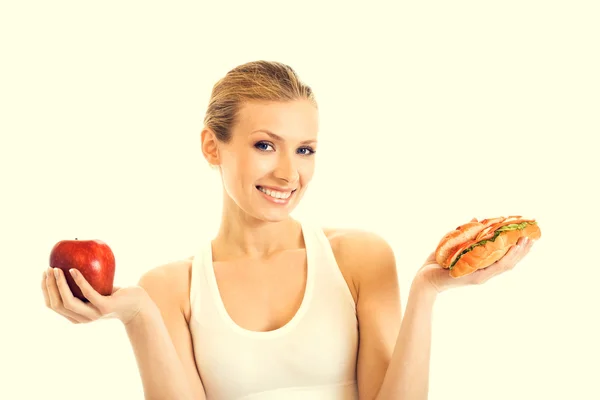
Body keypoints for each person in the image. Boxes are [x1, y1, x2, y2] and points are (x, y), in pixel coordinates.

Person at [41, 60, 534, 400]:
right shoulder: (169, 289)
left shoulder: (359, 258)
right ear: (212, 147)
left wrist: (426, 292)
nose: (288, 174)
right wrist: (137, 316)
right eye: (264, 145)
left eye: (304, 149)